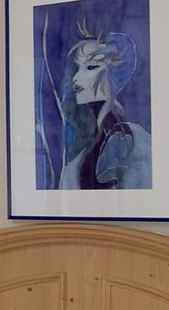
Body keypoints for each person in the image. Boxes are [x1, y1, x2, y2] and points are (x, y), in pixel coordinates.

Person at [56, 30, 154, 191]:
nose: (76, 77)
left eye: (91, 67)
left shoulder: (135, 142)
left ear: (115, 74)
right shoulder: (76, 161)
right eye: (77, 68)